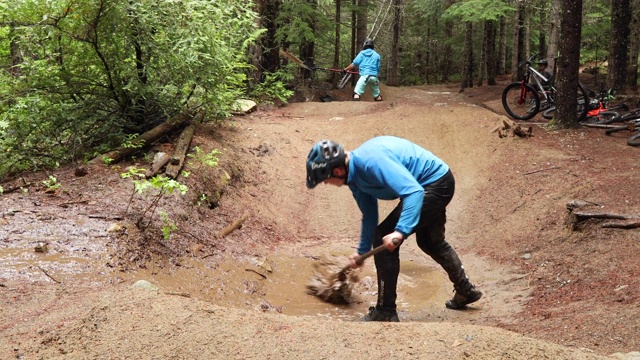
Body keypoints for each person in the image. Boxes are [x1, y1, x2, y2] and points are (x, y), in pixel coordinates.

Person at [305, 136, 482, 322]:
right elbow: (370, 215)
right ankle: (465, 290)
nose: (325, 183)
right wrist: (362, 252)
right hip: (431, 184)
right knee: (430, 242)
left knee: (384, 235)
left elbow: (414, 192)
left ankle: (385, 310)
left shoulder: (371, 162)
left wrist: (400, 231)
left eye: (325, 179)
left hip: (435, 184)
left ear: (338, 170)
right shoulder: (354, 179)